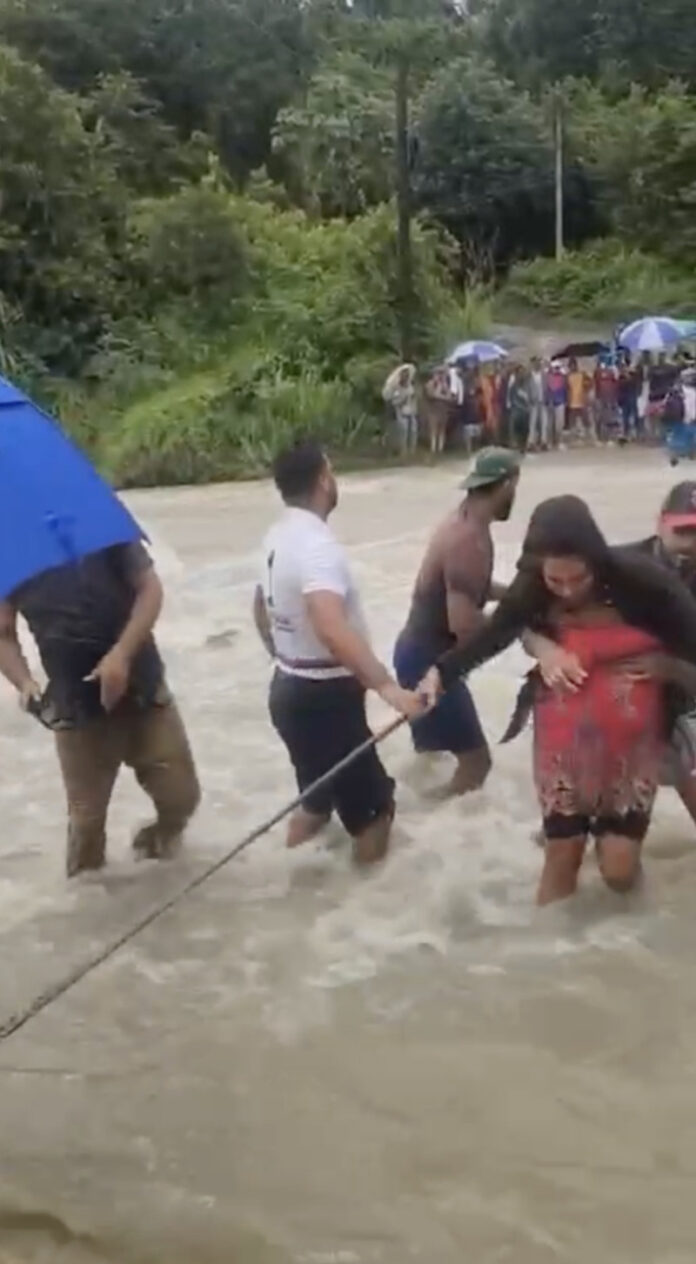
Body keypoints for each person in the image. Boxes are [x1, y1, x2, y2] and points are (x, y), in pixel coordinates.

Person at [419, 496, 696, 904]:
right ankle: (549, 936)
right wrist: (441, 673)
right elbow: (495, 634)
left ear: (596, 562)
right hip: (564, 738)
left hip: (636, 741)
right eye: (556, 581)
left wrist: (667, 666)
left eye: (578, 579)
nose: (567, 590)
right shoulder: (531, 585)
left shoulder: (646, 583)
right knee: (561, 858)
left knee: (619, 872)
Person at [254, 440, 423, 865]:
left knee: (316, 801)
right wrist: (388, 688)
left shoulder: (276, 536)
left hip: (287, 689)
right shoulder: (317, 546)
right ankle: (366, 894)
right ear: (323, 480)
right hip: (325, 701)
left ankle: (294, 886)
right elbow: (329, 625)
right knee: (374, 813)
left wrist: (283, 654)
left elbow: (260, 606)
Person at [0, 542, 200, 876]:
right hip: (75, 703)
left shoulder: (100, 530)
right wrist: (23, 682)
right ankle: (88, 905)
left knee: (181, 798)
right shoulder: (12, 547)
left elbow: (150, 589)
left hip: (143, 688)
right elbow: (3, 631)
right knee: (87, 826)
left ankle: (155, 859)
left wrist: (121, 654)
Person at [393, 447, 520, 795]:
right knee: (477, 763)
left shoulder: (463, 523)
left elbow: (470, 588)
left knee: (431, 758)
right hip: (429, 662)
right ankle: (437, 816)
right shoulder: (468, 542)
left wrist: (517, 596)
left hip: (413, 652)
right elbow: (464, 627)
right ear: (506, 484)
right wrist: (519, 627)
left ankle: (420, 815)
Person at [383, 363, 419, 455]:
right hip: (401, 412)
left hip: (411, 411)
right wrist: (403, 399)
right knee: (403, 431)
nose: (406, 377)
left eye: (407, 375)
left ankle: (412, 451)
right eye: (405, 375)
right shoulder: (396, 388)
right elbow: (394, 401)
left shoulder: (410, 386)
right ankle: (403, 451)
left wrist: (413, 399)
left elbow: (413, 397)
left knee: (413, 431)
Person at [423, 366, 451, 456]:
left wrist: (444, 387)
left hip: (443, 410)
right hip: (433, 411)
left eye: (442, 374)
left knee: (442, 430)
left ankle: (440, 449)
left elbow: (449, 396)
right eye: (439, 373)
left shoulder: (444, 384)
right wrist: (441, 393)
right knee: (433, 430)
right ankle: (433, 449)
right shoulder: (429, 384)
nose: (440, 376)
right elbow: (432, 395)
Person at [506, 364, 531, 450]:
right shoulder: (513, 386)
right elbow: (511, 398)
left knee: (525, 432)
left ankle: (523, 447)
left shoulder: (527, 385)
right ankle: (515, 446)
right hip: (516, 411)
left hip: (525, 412)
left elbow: (530, 398)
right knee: (515, 431)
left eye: (523, 372)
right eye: (519, 373)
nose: (521, 375)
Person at [567, 357, 592, 441]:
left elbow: (590, 383)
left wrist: (586, 391)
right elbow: (567, 389)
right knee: (572, 421)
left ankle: (589, 436)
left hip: (582, 401)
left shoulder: (582, 374)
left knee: (586, 420)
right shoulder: (568, 376)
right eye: (571, 366)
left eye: (573, 365)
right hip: (572, 402)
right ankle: (574, 438)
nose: (572, 367)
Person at [527, 356, 548, 451]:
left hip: (542, 401)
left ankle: (544, 441)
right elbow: (527, 390)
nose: (537, 364)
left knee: (544, 422)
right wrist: (529, 400)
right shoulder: (529, 376)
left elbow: (546, 387)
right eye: (535, 363)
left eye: (538, 363)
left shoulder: (543, 375)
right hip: (533, 403)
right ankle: (531, 442)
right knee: (533, 423)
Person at [545, 360, 567, 448]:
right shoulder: (547, 377)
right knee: (550, 424)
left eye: (558, 368)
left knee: (559, 424)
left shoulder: (563, 377)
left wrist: (565, 400)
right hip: (550, 403)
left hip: (560, 402)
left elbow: (565, 389)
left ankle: (559, 441)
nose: (556, 370)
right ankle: (550, 441)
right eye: (555, 368)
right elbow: (547, 390)